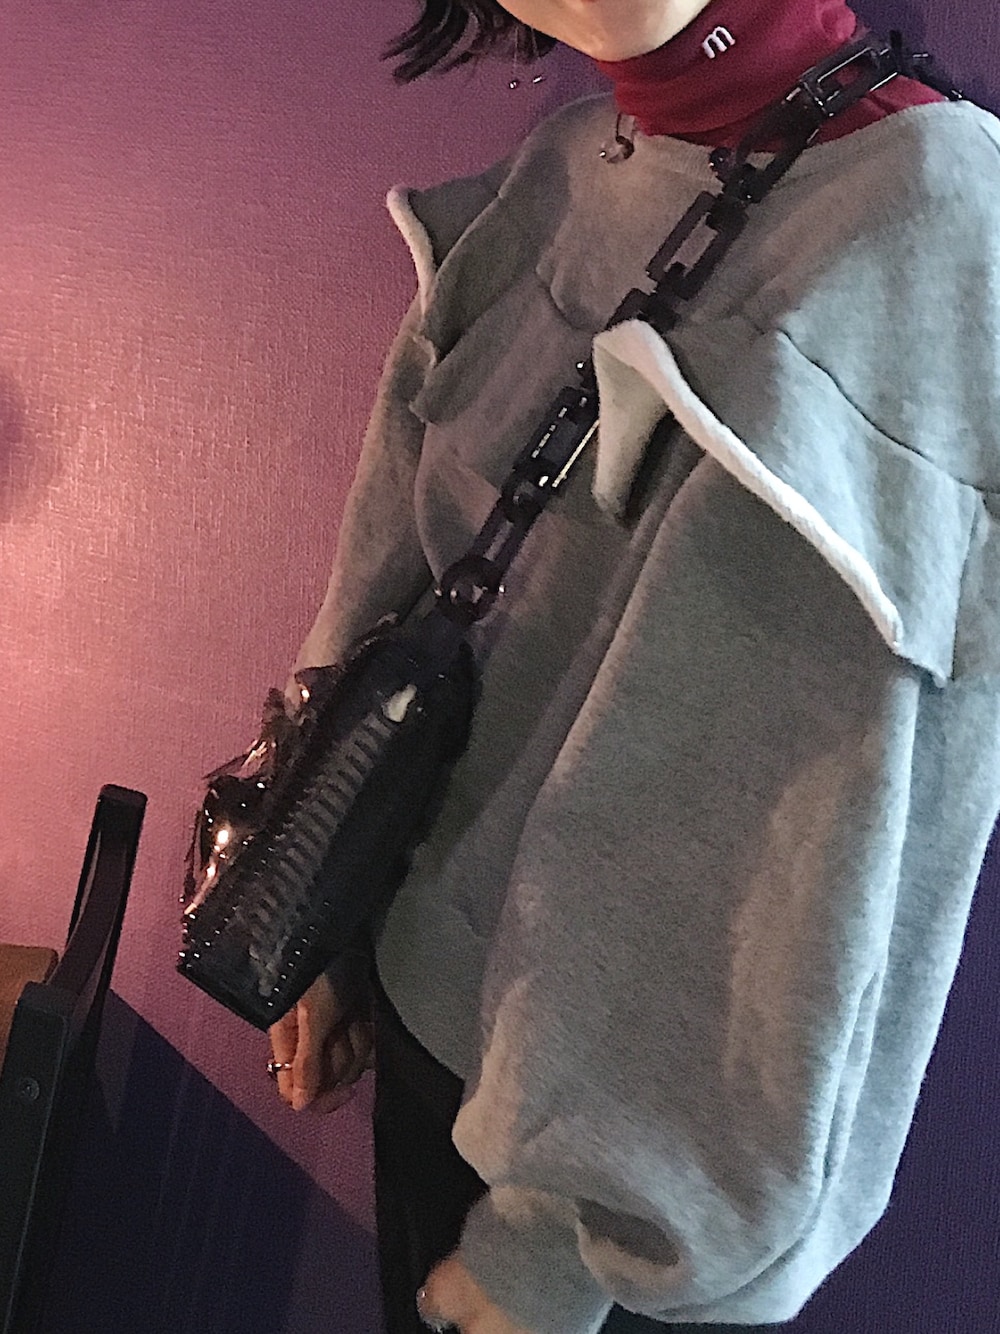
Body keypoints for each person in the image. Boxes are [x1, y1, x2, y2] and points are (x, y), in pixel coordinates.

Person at [266, 1, 1000, 1330]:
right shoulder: (560, 169)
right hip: (438, 1035)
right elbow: (392, 562)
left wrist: (556, 1249)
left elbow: (802, 833)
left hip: (607, 1220)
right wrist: (311, 903)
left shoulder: (939, 220)